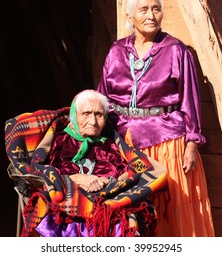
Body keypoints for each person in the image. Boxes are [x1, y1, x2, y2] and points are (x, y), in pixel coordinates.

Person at [97, 0, 215, 237]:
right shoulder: (116, 51)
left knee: (172, 209)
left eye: (156, 9)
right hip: (124, 144)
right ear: (130, 17)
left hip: (167, 144)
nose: (151, 15)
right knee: (129, 212)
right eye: (144, 10)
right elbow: (102, 97)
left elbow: (189, 99)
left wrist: (192, 142)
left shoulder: (176, 50)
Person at [34, 89, 159, 237]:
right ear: (74, 116)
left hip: (108, 204)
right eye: (86, 114)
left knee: (126, 220)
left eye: (99, 115)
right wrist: (75, 179)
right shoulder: (59, 141)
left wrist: (109, 182)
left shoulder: (111, 144)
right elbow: (45, 173)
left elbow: (129, 173)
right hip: (70, 206)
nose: (93, 122)